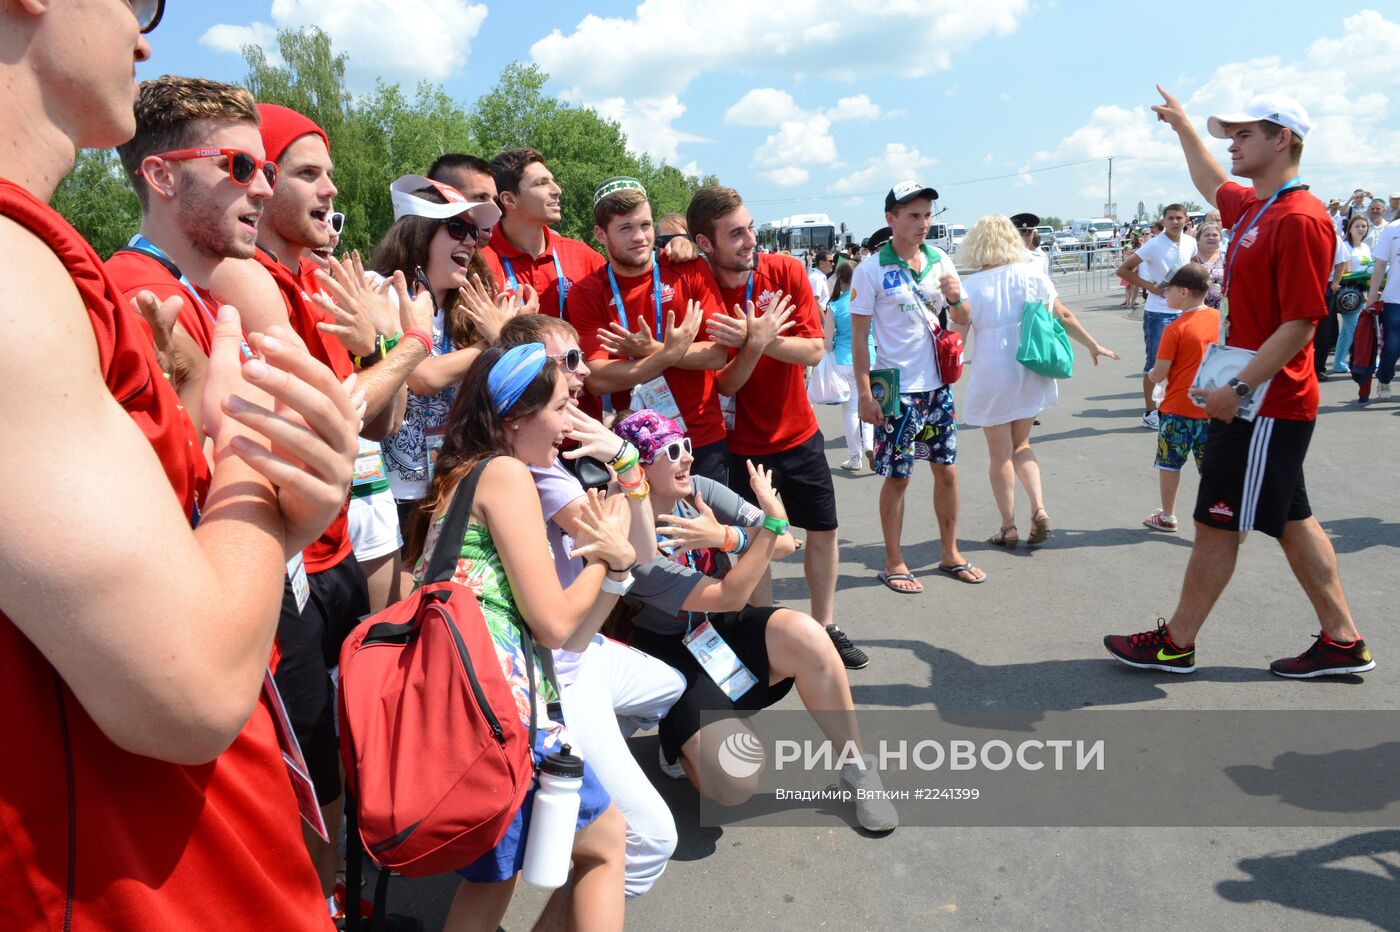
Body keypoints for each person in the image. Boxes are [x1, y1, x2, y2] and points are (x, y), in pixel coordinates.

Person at [0, 2, 361, 925]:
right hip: (140, 888)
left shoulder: (43, 261)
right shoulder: (17, 276)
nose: (147, 33)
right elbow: (189, 685)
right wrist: (257, 470)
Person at [1104, 87, 1375, 678]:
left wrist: (1240, 390)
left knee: (1216, 521)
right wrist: (1181, 128)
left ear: (1284, 139)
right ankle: (1342, 640)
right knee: (1290, 519)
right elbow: (1208, 182)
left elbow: (1302, 323)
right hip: (1259, 398)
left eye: (1245, 134)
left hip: (1263, 402)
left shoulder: (1300, 217)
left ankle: (1176, 643)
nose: (1232, 144)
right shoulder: (1257, 205)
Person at [421, 343, 630, 931]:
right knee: (607, 841)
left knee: (497, 877)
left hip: (483, 706)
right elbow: (557, 623)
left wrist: (614, 571)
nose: (570, 422)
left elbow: (568, 639)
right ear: (515, 417)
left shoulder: (470, 473)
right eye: (562, 407)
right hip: (506, 711)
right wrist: (604, 559)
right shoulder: (508, 475)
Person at [609, 410, 897, 832]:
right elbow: (732, 594)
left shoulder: (699, 492)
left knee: (809, 636)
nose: (688, 457)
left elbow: (783, 541)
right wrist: (766, 526)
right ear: (640, 467)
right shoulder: (632, 535)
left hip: (718, 631)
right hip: (669, 656)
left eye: (687, 445)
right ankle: (678, 744)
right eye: (672, 451)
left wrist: (727, 537)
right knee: (734, 781)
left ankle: (857, 769)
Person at [496, 313, 686, 900]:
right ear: (528, 394)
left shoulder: (557, 452)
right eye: (567, 362)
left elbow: (641, 556)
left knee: (672, 685)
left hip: (585, 645)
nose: (582, 373)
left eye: (580, 357)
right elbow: (635, 554)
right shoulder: (536, 471)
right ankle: (587, 877)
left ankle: (589, 776)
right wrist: (627, 464)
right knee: (650, 840)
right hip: (558, 672)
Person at [688, 187, 867, 669]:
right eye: (736, 234)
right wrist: (754, 344)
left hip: (799, 433)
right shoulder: (700, 285)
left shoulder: (784, 270)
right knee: (757, 539)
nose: (751, 240)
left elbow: (812, 349)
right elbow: (725, 382)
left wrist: (759, 339)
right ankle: (765, 633)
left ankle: (826, 627)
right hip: (743, 446)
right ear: (705, 243)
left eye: (750, 228)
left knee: (824, 531)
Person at [849, 181, 984, 592]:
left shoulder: (940, 259)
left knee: (947, 471)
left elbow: (963, 316)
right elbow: (859, 338)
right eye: (913, 215)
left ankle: (950, 552)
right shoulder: (871, 268)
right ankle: (893, 561)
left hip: (938, 387)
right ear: (891, 219)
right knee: (898, 477)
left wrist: (958, 298)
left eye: (927, 215)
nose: (923, 223)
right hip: (897, 391)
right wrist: (865, 395)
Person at [951, 215, 1114, 549]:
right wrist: (1092, 344)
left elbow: (957, 339)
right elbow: (1064, 315)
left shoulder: (971, 288)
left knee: (999, 454)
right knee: (1022, 445)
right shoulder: (1031, 274)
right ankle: (1039, 508)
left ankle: (1008, 526)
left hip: (992, 372)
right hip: (1030, 367)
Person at [568, 177, 729, 480]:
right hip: (636, 445)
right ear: (600, 235)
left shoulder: (688, 269)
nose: (640, 237)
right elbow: (599, 380)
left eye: (645, 225)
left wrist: (651, 351)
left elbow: (718, 354)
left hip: (701, 438)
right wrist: (670, 353)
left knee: (710, 526)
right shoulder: (587, 293)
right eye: (625, 229)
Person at [482, 147, 606, 319]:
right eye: (541, 183)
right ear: (509, 199)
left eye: (552, 181)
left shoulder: (585, 258)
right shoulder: (478, 260)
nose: (557, 190)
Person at [1141, 265, 1220, 532]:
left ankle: (1167, 515)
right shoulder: (1219, 319)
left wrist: (1151, 375)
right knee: (1210, 469)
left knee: (1169, 464)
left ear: (1184, 292)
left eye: (1169, 289)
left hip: (1178, 408)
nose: (1166, 294)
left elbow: (1160, 371)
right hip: (1212, 407)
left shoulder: (1175, 328)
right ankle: (1217, 515)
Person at [1116, 204, 1197, 429]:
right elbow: (1123, 269)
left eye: (1178, 218)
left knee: (1181, 363)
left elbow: (1193, 264)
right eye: (1170, 218)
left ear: (1186, 220)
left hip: (1185, 311)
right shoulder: (1154, 244)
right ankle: (1150, 412)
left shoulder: (1190, 242)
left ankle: (1171, 405)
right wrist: (1148, 286)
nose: (1174, 222)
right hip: (1159, 312)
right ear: (1163, 220)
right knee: (1155, 363)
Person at [824, 261, 875, 471]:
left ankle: (855, 457)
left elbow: (826, 342)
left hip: (844, 360)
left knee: (851, 410)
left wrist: (835, 342)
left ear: (839, 279)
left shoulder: (834, 305)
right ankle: (871, 445)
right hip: (870, 357)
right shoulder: (868, 301)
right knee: (869, 403)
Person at [1329, 215, 1372, 376]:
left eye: (1363, 226)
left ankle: (1342, 362)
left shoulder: (1366, 247)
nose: (1361, 229)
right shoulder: (1345, 245)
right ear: (1350, 228)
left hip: (1361, 291)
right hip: (1348, 293)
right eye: (1357, 226)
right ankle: (1352, 361)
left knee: (1350, 331)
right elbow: (1345, 271)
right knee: (1354, 330)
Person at [1363, 211, 1400, 400]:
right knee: (1392, 347)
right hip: (1395, 299)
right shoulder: (1393, 229)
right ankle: (1384, 378)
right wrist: (1371, 297)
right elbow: (1379, 266)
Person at [1191, 222, 1225, 309]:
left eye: (1215, 235)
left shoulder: (1227, 257)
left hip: (1223, 311)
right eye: (1207, 235)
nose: (1211, 238)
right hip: (1197, 309)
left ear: (1220, 239)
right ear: (1198, 239)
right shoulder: (1190, 258)